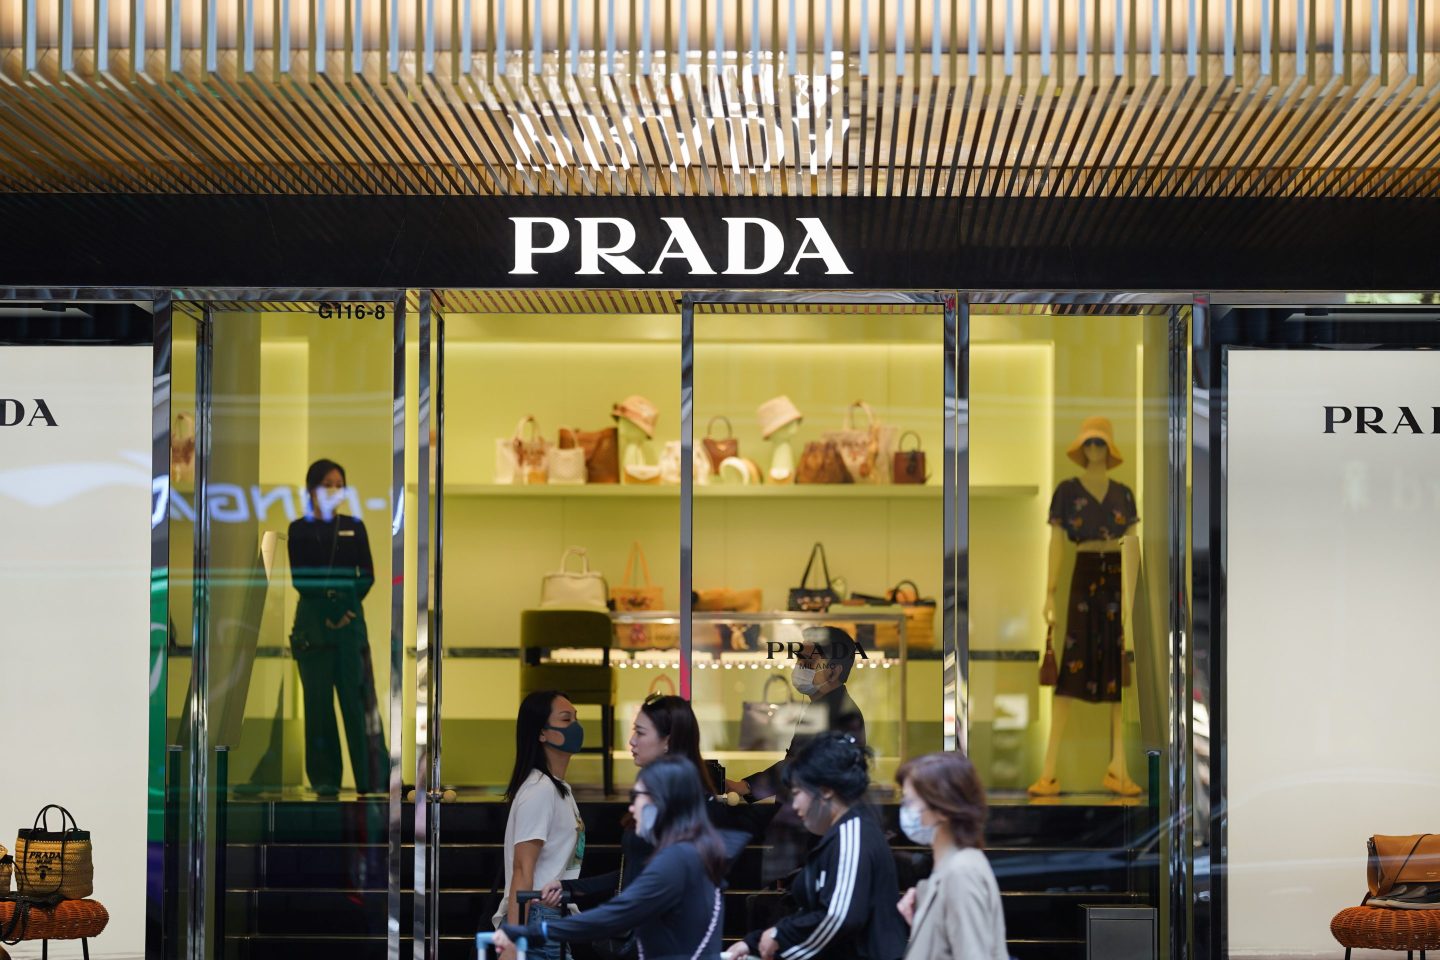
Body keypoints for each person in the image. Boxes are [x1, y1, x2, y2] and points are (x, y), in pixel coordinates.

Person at [494, 756, 728, 960]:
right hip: (542, 913)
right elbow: (522, 868)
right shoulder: (542, 789)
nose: (632, 740)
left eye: (641, 731)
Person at [727, 733, 906, 960]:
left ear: (825, 790)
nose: (794, 804)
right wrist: (758, 942)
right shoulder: (839, 834)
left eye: (797, 793)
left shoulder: (852, 835)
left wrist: (778, 939)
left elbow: (838, 917)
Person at [287, 458, 386, 797]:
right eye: (327, 483)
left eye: (339, 484)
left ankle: (372, 781)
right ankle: (325, 783)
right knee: (317, 708)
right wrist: (332, 608)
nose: (333, 489)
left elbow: (367, 575)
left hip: (349, 627)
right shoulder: (298, 529)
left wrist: (344, 610)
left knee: (359, 704)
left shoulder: (354, 526)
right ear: (312, 488)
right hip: (313, 628)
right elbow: (300, 579)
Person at [493, 690, 588, 960]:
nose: (576, 727)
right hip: (537, 919)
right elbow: (523, 868)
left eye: (576, 719)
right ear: (542, 733)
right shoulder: (539, 791)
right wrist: (512, 943)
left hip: (551, 919)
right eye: (566, 719)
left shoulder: (559, 789)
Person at [726, 626, 867, 802]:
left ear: (833, 671)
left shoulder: (833, 714)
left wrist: (747, 786)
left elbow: (801, 768)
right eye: (799, 660)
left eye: (807, 662)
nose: (799, 667)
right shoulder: (824, 706)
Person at [894, 752, 1007, 960]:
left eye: (910, 801)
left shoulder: (961, 872)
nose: (905, 811)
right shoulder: (951, 866)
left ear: (943, 810)